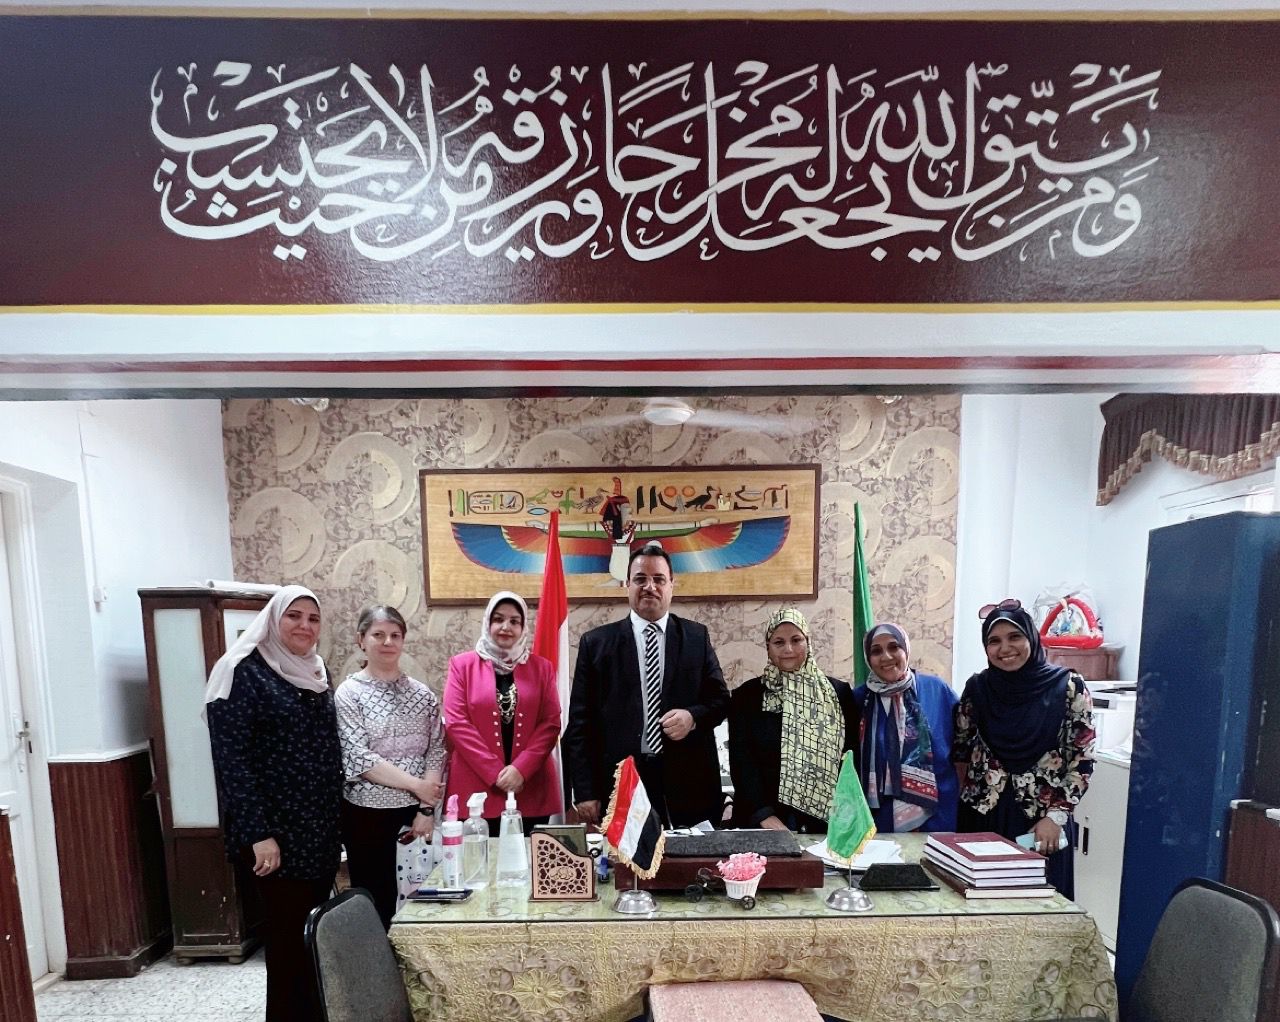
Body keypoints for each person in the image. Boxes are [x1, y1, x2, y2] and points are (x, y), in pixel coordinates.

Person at [204, 585, 341, 1022]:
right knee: (284, 941)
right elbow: (232, 762)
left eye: (313, 618)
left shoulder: (316, 669)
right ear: (272, 619)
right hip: (274, 838)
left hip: (317, 832)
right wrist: (258, 834)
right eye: (293, 615)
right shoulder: (242, 672)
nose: (304, 625)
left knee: (312, 937)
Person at [564, 541, 730, 828]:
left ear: (671, 585)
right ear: (627, 584)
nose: (649, 587)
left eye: (659, 579)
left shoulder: (696, 638)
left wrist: (692, 717)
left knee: (686, 858)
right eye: (640, 579)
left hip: (688, 783)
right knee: (625, 857)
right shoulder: (596, 644)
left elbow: (720, 701)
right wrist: (585, 790)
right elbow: (581, 723)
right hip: (619, 781)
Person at [952, 600, 1096, 897]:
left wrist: (1057, 816)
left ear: (1031, 637)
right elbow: (961, 752)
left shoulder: (1069, 687)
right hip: (982, 818)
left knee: (1039, 908)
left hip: (1042, 824)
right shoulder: (977, 689)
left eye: (1014, 637)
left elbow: (1082, 761)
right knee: (979, 908)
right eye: (994, 641)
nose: (1005, 648)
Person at [334, 604, 445, 930]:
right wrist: (416, 785)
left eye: (395, 635)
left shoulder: (423, 695)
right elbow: (358, 757)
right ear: (361, 640)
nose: (387, 642)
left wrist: (426, 808)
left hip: (415, 816)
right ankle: (376, 961)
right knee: (375, 903)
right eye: (378, 634)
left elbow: (437, 750)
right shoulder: (349, 693)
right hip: (366, 815)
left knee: (422, 902)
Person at [728, 607, 859, 832]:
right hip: (762, 823)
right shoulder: (746, 696)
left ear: (808, 642)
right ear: (768, 647)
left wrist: (844, 814)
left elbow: (850, 757)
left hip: (827, 822)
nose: (788, 649)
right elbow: (742, 761)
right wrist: (763, 814)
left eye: (796, 640)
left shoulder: (838, 694)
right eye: (779, 642)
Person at [443, 591, 562, 835]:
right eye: (498, 619)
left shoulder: (542, 668)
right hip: (475, 788)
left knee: (528, 856)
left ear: (523, 627)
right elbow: (457, 723)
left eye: (514, 621)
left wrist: (521, 769)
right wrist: (495, 772)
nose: (506, 627)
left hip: (530, 787)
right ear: (488, 623)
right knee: (478, 857)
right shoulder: (462, 666)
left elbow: (550, 723)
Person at [852, 622, 959, 833]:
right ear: (868, 658)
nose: (886, 656)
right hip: (877, 819)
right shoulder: (858, 699)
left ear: (906, 650)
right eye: (876, 651)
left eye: (894, 647)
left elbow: (963, 747)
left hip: (937, 813)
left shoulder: (936, 690)